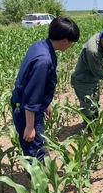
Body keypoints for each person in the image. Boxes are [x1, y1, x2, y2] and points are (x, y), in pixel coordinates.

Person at [11, 17, 80, 162]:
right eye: (72, 43)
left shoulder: (40, 45)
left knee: (37, 145)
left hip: (27, 106)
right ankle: (37, 182)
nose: (71, 46)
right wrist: (30, 126)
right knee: (35, 152)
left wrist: (46, 103)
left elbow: (38, 84)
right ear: (65, 41)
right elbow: (31, 97)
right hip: (26, 111)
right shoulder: (44, 60)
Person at [71, 27, 103, 124]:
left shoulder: (101, 38)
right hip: (83, 80)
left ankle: (95, 122)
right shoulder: (92, 51)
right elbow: (98, 72)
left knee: (95, 100)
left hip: (92, 77)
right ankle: (90, 128)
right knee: (87, 104)